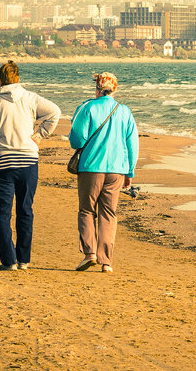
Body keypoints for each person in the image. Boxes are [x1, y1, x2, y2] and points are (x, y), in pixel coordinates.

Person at [0, 61, 61, 271]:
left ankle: (8, 261)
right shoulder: (30, 98)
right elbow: (54, 112)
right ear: (18, 78)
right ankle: (24, 260)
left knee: (3, 214)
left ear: (0, 80)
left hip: (3, 163)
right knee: (25, 210)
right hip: (28, 161)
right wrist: (40, 135)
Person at [68, 72, 139, 273]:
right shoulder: (124, 111)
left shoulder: (88, 107)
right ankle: (106, 261)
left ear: (97, 88)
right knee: (109, 213)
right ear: (115, 89)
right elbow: (132, 143)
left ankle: (90, 253)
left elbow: (77, 140)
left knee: (87, 210)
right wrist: (130, 171)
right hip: (117, 169)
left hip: (91, 167)